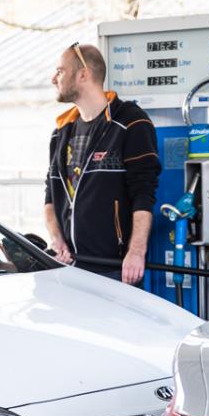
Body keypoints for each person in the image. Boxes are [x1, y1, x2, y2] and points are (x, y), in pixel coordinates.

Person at [43, 43, 160, 284]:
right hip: (70, 267)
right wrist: (57, 240)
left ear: (83, 74)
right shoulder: (60, 132)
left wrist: (136, 253)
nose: (53, 78)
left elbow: (144, 192)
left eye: (60, 71)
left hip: (115, 269)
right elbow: (49, 197)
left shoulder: (130, 122)